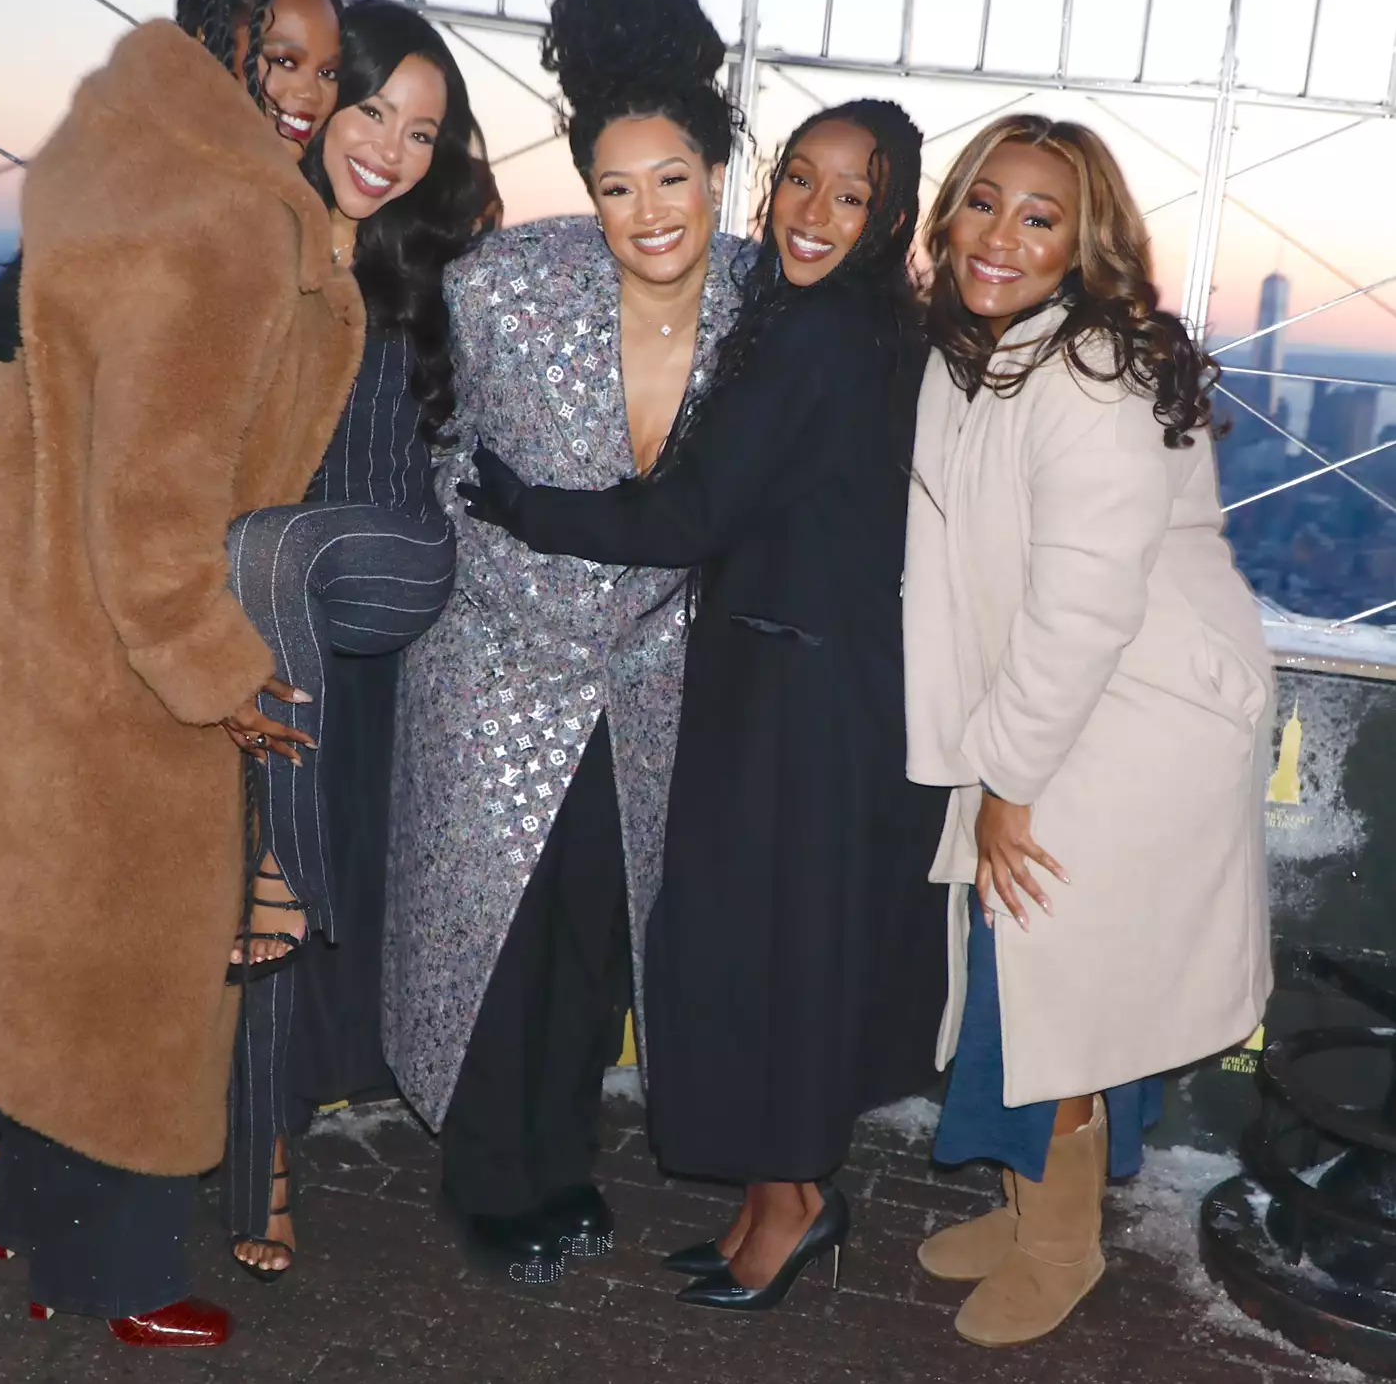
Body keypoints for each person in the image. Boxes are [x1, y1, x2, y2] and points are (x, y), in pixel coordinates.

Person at [0, 0, 360, 1348]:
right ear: (221, 42)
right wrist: (220, 671)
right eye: (282, 57)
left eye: (327, 68)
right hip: (114, 653)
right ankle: (113, 1279)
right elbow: (160, 492)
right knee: (122, 979)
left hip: (18, 610)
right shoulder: (223, 218)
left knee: (40, 951)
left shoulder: (115, 154)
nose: (309, 92)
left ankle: (45, 1242)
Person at [459, 99, 950, 1313]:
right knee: (764, 947)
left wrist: (523, 505)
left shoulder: (822, 334)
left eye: (851, 193)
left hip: (800, 700)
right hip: (806, 678)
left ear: (891, 213)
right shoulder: (854, 323)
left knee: (772, 952)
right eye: (800, 181)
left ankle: (790, 1210)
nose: (816, 213)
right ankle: (768, 1204)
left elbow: (685, 515)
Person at [381, 0, 745, 1287]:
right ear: (583, 187)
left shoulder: (769, 311)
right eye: (613, 186)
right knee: (503, 926)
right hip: (495, 662)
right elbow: (437, 458)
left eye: (671, 181)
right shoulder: (503, 285)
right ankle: (492, 1181)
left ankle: (564, 1161)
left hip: (660, 675)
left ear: (717, 171)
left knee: (600, 934)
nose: (644, 213)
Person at [903, 114, 1273, 1348]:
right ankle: (1024, 1215)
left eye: (1039, 216)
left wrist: (1007, 779)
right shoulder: (988, 351)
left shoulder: (1087, 369)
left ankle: (1061, 1249)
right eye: (982, 203)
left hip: (1131, 718)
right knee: (1034, 979)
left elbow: (1083, 604)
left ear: (1084, 243)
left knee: (1055, 988)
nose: (1000, 236)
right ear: (948, 213)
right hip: (1070, 708)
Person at [221, 0, 490, 1281]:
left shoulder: (434, 261)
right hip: (281, 628)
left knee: (273, 545)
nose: (390, 145)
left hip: (391, 562)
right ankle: (262, 1178)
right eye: (374, 107)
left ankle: (293, 858)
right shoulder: (251, 243)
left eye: (424, 131)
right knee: (244, 890)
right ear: (325, 104)